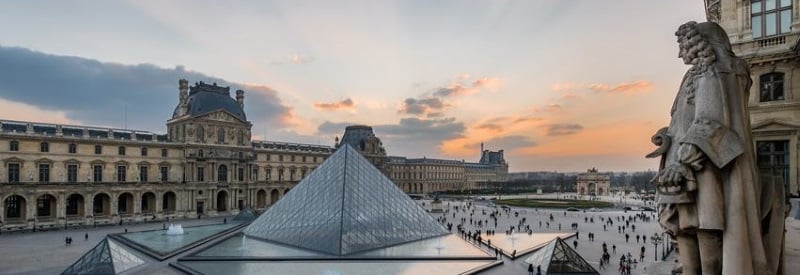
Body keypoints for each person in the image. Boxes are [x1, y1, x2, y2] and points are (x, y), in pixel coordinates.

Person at [650, 21, 786, 275]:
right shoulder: (696, 75)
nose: (681, 54)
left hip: (704, 165)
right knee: (685, 228)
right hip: (685, 162)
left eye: (685, 46)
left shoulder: (720, 72)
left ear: (702, 43)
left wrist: (683, 161)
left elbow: (712, 122)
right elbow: (686, 120)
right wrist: (667, 135)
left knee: (706, 230)